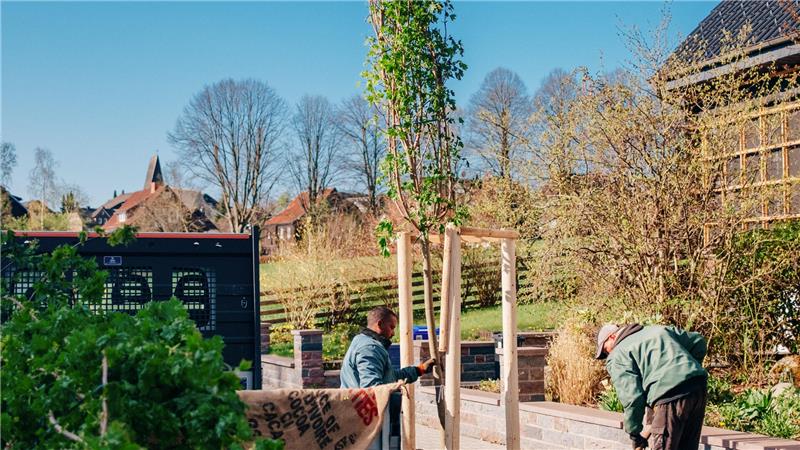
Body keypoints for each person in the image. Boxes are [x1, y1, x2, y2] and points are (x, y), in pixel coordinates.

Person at [595, 323, 708, 450]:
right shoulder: (658, 329)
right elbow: (699, 342)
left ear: (612, 337)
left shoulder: (618, 354)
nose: (608, 354)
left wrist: (634, 434)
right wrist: (686, 370)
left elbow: (631, 398)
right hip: (698, 389)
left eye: (605, 350)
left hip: (669, 396)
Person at [341, 306, 436, 389]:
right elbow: (372, 388)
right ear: (379, 324)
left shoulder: (360, 340)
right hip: (362, 409)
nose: (393, 333)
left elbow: (390, 376)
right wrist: (393, 391)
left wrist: (420, 369)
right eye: (391, 327)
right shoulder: (370, 348)